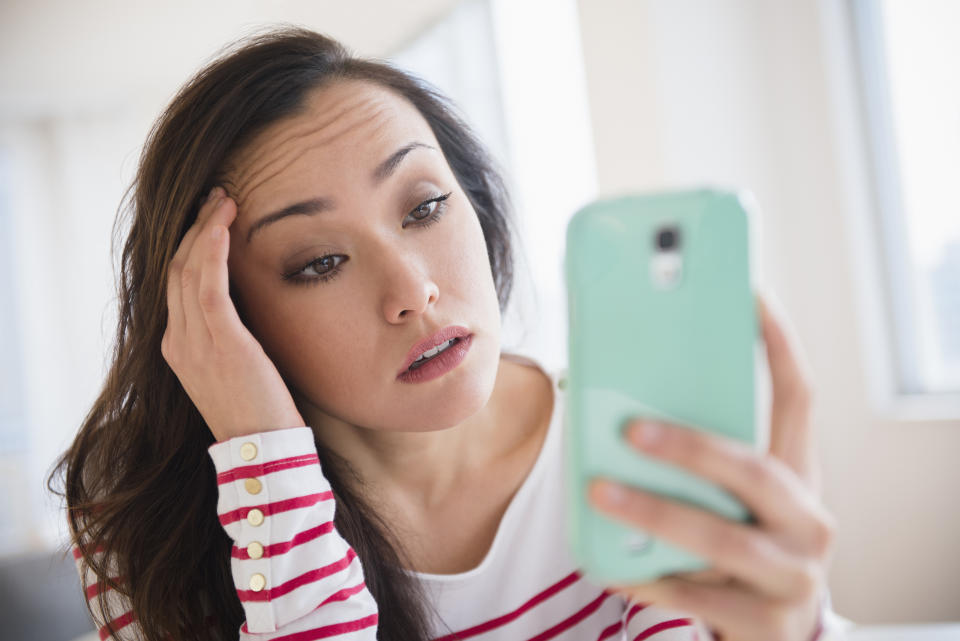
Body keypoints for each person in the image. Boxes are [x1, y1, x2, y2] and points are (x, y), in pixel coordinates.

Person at [50, 27, 850, 641]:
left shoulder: (637, 462)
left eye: (426, 207)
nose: (412, 290)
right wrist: (266, 468)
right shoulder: (147, 534)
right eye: (321, 261)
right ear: (222, 314)